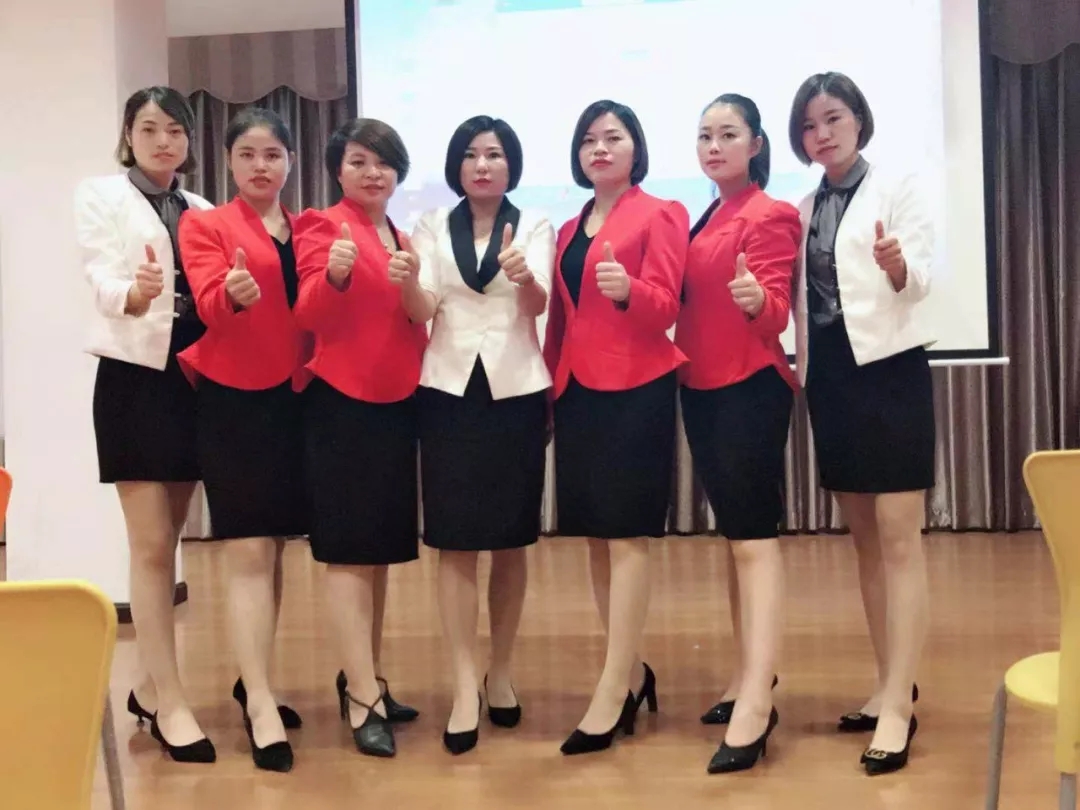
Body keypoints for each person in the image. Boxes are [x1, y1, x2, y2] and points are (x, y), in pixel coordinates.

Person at [788, 71, 935, 776]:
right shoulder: (804, 205)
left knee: (901, 542)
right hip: (833, 379)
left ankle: (901, 708)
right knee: (866, 545)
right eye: (810, 124)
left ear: (858, 120)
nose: (823, 133)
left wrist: (899, 265)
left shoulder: (898, 186)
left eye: (834, 118)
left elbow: (923, 278)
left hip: (891, 373)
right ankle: (886, 684)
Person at [403, 115, 554, 755]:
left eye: (494, 154)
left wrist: (524, 276)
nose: (483, 164)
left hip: (516, 391)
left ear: (511, 164)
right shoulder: (432, 224)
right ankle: (464, 682)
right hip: (447, 391)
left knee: (512, 541)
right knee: (455, 542)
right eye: (471, 154)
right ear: (456, 166)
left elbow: (539, 306)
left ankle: (502, 672)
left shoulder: (536, 223)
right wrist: (406, 280)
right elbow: (422, 308)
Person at [75, 86, 217, 764]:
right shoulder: (101, 195)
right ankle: (172, 701)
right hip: (134, 378)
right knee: (152, 546)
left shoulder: (203, 208)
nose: (164, 141)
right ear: (128, 136)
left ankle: (150, 690)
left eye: (176, 130)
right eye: (150, 128)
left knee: (173, 539)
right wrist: (134, 294)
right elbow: (101, 275)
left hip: (194, 376)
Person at [544, 99, 689, 755]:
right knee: (597, 541)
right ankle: (629, 672)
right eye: (589, 140)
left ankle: (611, 689)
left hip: (636, 387)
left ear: (636, 149)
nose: (599, 148)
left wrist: (629, 289)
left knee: (627, 538)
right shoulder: (568, 227)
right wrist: (548, 393)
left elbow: (666, 306)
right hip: (577, 391)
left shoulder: (662, 212)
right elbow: (560, 319)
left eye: (613, 137)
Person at [177, 107, 310, 773]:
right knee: (249, 550)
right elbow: (206, 303)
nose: (261, 165)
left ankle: (256, 678)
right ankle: (258, 702)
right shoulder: (205, 225)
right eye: (248, 154)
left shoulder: (310, 228)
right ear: (228, 161)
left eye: (273, 154)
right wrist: (230, 291)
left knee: (274, 548)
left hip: (297, 399)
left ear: (290, 162)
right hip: (234, 400)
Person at [674, 93, 801, 773]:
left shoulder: (770, 212)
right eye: (705, 136)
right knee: (735, 543)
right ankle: (746, 676)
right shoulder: (707, 216)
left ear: (755, 145)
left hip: (749, 387)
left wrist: (759, 302)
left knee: (753, 543)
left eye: (728, 134)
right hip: (700, 387)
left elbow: (776, 309)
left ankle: (758, 699)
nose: (714, 146)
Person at [292, 117, 425, 759]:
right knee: (348, 554)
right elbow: (308, 312)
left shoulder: (399, 234)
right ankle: (361, 699)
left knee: (377, 553)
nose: (373, 173)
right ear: (337, 170)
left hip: (397, 403)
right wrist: (336, 276)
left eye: (384, 162)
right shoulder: (322, 225)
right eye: (359, 162)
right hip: (342, 403)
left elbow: (413, 319)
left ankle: (368, 676)